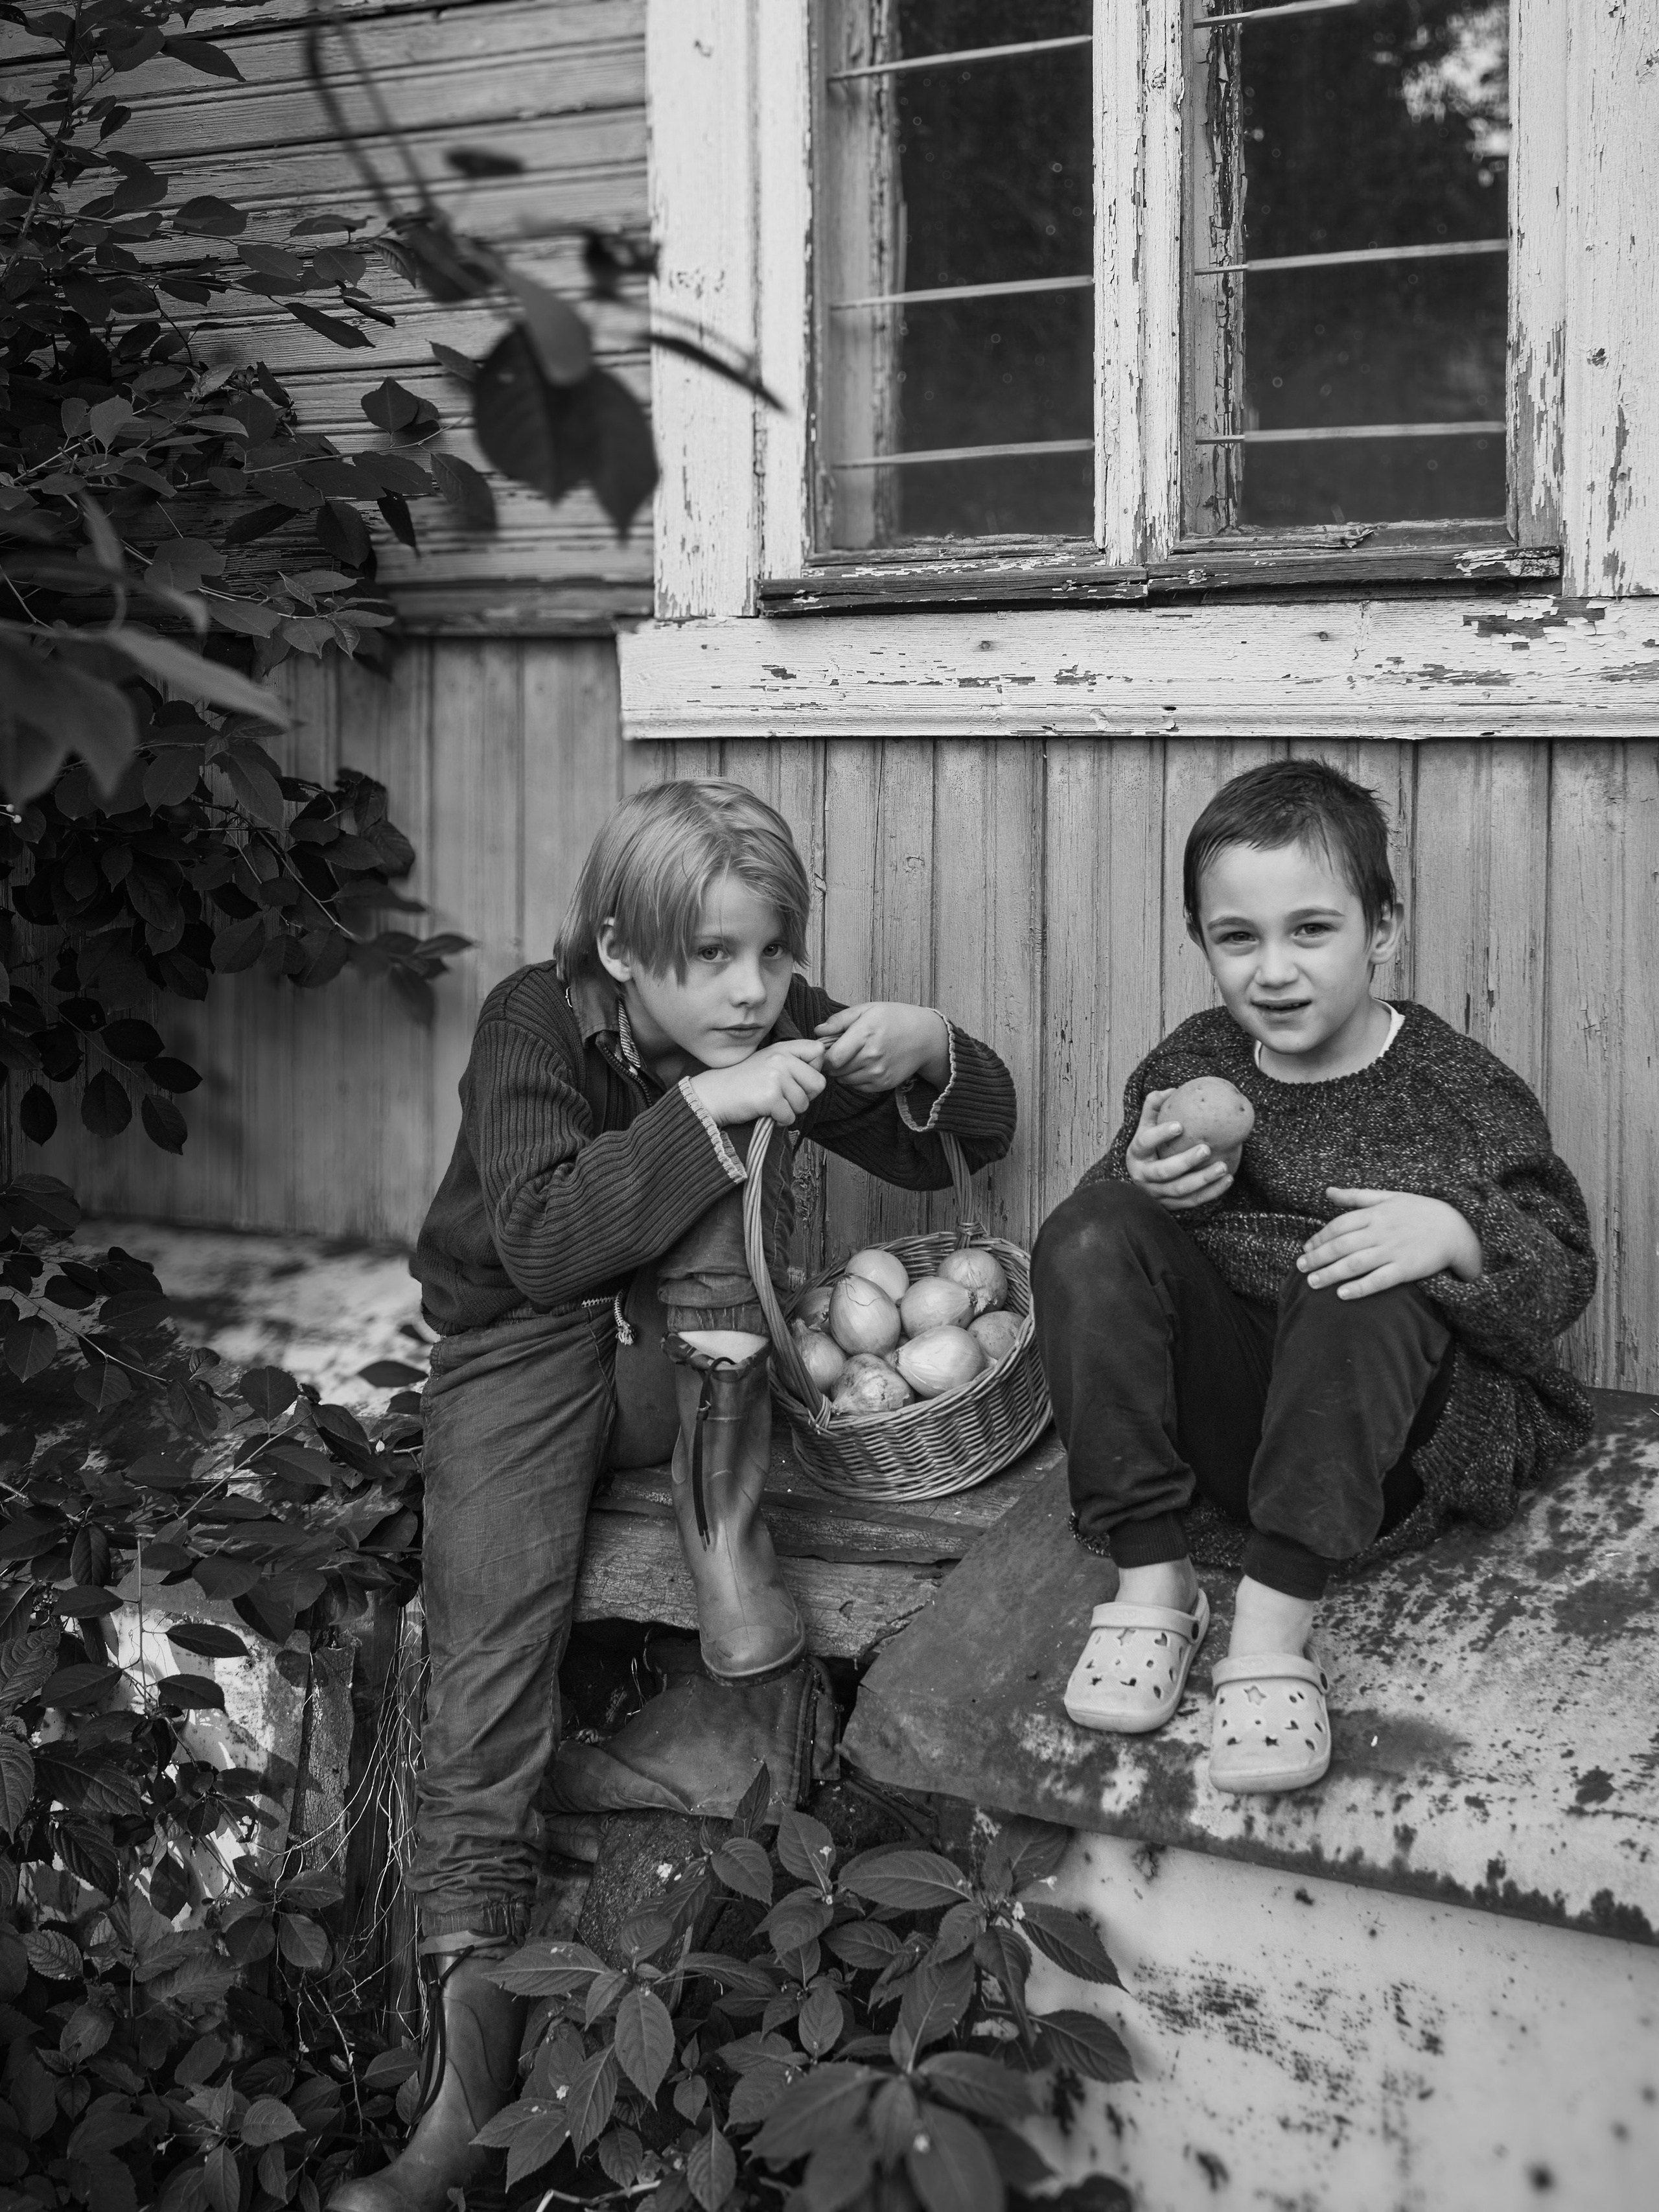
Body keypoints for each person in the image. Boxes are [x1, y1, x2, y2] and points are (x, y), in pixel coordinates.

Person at [333, 778, 1015, 2212]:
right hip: (520, 1355)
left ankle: (725, 1535)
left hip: (686, 1382)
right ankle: (459, 2109)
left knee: (735, 1145)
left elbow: (961, 1138)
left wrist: (932, 1048)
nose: (752, 988)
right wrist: (706, 1104)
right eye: (711, 960)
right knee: (483, 1667)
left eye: (770, 954)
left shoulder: (765, 1015)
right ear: (621, 949)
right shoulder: (534, 1017)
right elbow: (536, 1241)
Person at [1032, 759, 1596, 1797]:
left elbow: (1559, 1268)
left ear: (1381, 928)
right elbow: (1113, 1275)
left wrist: (1455, 1232)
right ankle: (1155, 1578)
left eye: (1312, 930)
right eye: (1238, 937)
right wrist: (1151, 1180)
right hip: (1228, 1428)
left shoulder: (1453, 1088)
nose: (1274, 970)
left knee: (1361, 1270)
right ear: (1201, 941)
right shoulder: (1194, 1061)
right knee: (1085, 1228)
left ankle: (1271, 1629)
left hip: (1379, 1443)